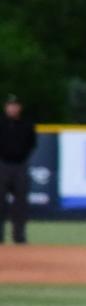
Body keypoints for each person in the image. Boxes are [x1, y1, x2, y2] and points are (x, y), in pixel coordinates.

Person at [0, 94, 37, 245]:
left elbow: (31, 144)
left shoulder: (26, 124)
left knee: (21, 203)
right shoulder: (1, 123)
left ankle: (19, 237)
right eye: (10, 105)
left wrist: (21, 157)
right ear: (5, 107)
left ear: (19, 108)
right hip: (2, 165)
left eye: (15, 105)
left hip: (20, 166)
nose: (13, 108)